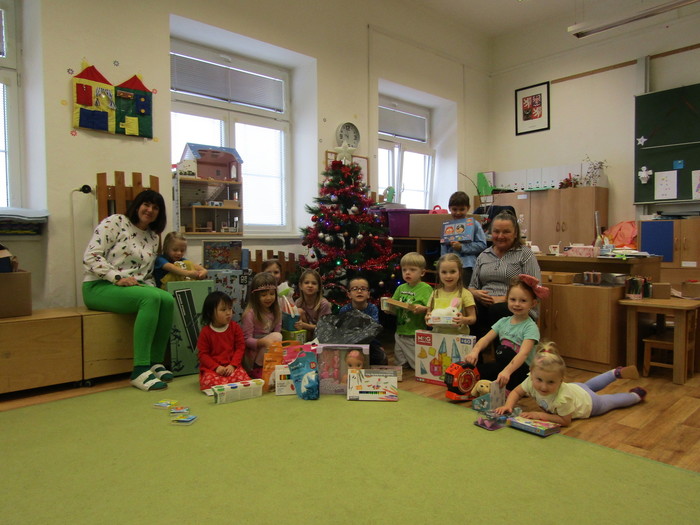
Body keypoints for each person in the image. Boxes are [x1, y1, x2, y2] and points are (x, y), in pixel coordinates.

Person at [82, 189, 175, 392]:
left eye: (156, 207)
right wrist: (117, 278)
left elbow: (147, 274)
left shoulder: (152, 236)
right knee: (150, 298)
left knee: (167, 299)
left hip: (134, 288)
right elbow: (91, 256)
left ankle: (155, 361)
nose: (150, 210)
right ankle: (140, 369)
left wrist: (151, 290)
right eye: (146, 204)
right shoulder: (116, 222)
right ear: (137, 205)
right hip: (99, 285)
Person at [494, 341, 647, 426]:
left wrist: (539, 415)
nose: (543, 387)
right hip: (577, 389)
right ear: (531, 373)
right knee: (589, 385)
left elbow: (565, 421)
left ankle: (635, 396)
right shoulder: (530, 380)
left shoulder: (563, 398)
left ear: (561, 380)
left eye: (551, 382)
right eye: (539, 380)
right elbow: (516, 392)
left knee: (611, 401)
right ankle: (615, 373)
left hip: (590, 404)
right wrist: (508, 405)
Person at [468, 209, 541, 340]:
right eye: (496, 231)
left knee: (497, 309)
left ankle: (502, 350)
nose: (500, 236)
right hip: (485, 304)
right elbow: (472, 286)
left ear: (515, 233)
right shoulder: (483, 255)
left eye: (506, 232)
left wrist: (505, 299)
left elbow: (535, 288)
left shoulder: (525, 254)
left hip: (516, 305)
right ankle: (475, 350)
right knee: (470, 307)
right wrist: (476, 294)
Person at [465, 274, 546, 390]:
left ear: (533, 304)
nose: (517, 304)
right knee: (476, 371)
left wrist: (507, 372)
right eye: (513, 299)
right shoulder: (503, 321)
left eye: (523, 301)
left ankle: (510, 387)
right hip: (504, 368)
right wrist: (474, 351)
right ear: (507, 299)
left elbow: (523, 354)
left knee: (503, 350)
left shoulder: (530, 327)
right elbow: (486, 339)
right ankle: (500, 384)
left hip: (522, 373)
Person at [384, 252, 432, 370]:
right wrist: (389, 310)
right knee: (400, 364)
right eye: (404, 270)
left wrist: (423, 309)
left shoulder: (426, 288)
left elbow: (432, 308)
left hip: (415, 332)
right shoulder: (401, 288)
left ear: (422, 272)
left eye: (412, 270)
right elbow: (394, 306)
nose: (407, 273)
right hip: (400, 331)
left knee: (417, 365)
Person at [196, 291, 251, 390]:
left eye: (230, 308)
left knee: (244, 379)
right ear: (210, 313)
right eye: (223, 309)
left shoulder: (235, 327)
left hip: (232, 367)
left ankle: (227, 383)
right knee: (208, 382)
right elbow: (203, 354)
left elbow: (240, 348)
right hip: (213, 369)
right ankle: (224, 383)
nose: (228, 313)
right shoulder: (205, 332)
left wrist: (233, 365)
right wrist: (216, 367)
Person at [241, 272, 282, 378]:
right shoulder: (250, 314)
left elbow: (277, 333)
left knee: (278, 336)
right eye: (264, 295)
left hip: (269, 352)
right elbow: (246, 340)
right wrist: (261, 342)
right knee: (276, 336)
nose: (268, 298)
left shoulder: (276, 312)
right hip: (253, 354)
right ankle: (257, 368)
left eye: (272, 294)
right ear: (256, 296)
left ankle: (270, 366)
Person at [440, 191, 487, 286]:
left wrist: (462, 247)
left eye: (462, 209)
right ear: (449, 208)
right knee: (448, 289)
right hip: (449, 266)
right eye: (454, 209)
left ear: (468, 208)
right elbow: (443, 248)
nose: (458, 212)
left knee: (463, 290)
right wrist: (442, 263)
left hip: (467, 266)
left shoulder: (474, 225)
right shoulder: (448, 227)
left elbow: (482, 245)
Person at [338, 276, 388, 365]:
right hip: (350, 342)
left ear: (368, 294)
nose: (359, 291)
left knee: (380, 357)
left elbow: (374, 327)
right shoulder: (345, 309)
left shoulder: (372, 308)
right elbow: (343, 329)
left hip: (370, 342)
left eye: (363, 289)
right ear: (349, 294)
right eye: (355, 289)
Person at [425, 253, 476, 334]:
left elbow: (473, 318)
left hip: (459, 337)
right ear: (439, 273)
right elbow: (428, 314)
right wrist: (428, 319)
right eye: (444, 272)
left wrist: (463, 320)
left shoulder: (466, 294)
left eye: (452, 271)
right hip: (437, 336)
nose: (448, 276)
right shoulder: (435, 293)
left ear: (460, 272)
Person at [294, 269, 332, 341]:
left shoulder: (324, 304)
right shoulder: (298, 302)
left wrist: (305, 325)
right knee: (298, 311)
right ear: (300, 286)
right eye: (306, 283)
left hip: (320, 337)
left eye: (314, 283)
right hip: (303, 336)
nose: (310, 285)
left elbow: (324, 327)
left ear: (319, 287)